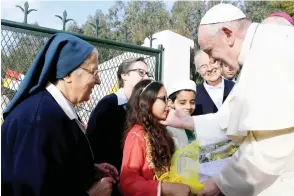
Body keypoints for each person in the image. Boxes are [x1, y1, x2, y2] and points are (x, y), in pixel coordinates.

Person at [162, 3, 294, 196]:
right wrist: (189, 122)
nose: (212, 61)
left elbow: (270, 146)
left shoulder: (269, 52)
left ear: (227, 34)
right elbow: (235, 113)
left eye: (209, 51)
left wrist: (220, 183)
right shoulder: (266, 46)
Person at [1, 33, 118, 196]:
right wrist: (92, 194)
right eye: (93, 72)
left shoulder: (54, 110)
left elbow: (54, 166)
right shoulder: (40, 120)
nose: (98, 81)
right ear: (67, 74)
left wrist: (89, 169)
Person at [86, 57, 150, 195]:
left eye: (147, 74)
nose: (146, 77)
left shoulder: (142, 107)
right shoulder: (107, 105)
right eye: (141, 72)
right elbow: (93, 145)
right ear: (124, 75)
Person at [120, 79, 191, 196]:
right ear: (147, 101)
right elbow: (128, 181)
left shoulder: (162, 129)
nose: (168, 105)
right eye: (163, 99)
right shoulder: (136, 135)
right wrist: (164, 188)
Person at [192, 50, 235, 116]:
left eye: (212, 62)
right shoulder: (193, 95)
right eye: (203, 66)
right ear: (198, 71)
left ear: (220, 62)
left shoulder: (236, 88)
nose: (209, 69)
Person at [167, 79, 197, 148]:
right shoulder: (169, 131)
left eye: (192, 102)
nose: (188, 107)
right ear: (170, 103)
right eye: (182, 103)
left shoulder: (195, 126)